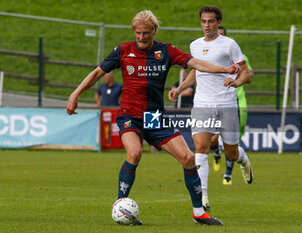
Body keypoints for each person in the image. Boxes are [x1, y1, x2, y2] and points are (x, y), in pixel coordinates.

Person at [67, 10, 240, 226]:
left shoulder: (166, 51)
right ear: (134, 31)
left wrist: (223, 69)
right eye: (138, 33)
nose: (141, 37)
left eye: (146, 33)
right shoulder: (123, 51)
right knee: (135, 152)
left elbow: (197, 64)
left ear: (154, 31)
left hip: (155, 117)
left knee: (188, 158)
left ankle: (199, 213)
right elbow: (96, 74)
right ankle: (121, 205)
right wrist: (75, 94)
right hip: (130, 114)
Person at [168, 6, 254, 212]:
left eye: (211, 21)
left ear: (218, 22)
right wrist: (179, 89)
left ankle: (243, 160)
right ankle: (203, 195)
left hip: (226, 104)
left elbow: (247, 74)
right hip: (202, 104)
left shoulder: (230, 45)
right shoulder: (195, 45)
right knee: (201, 149)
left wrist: (237, 82)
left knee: (231, 153)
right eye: (203, 21)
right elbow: (196, 72)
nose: (207, 25)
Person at [210, 26, 254, 185]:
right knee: (212, 140)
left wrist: (238, 80)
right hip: (213, 102)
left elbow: (249, 76)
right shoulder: (209, 56)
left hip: (236, 103)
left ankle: (228, 174)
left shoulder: (239, 56)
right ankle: (215, 153)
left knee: (232, 146)